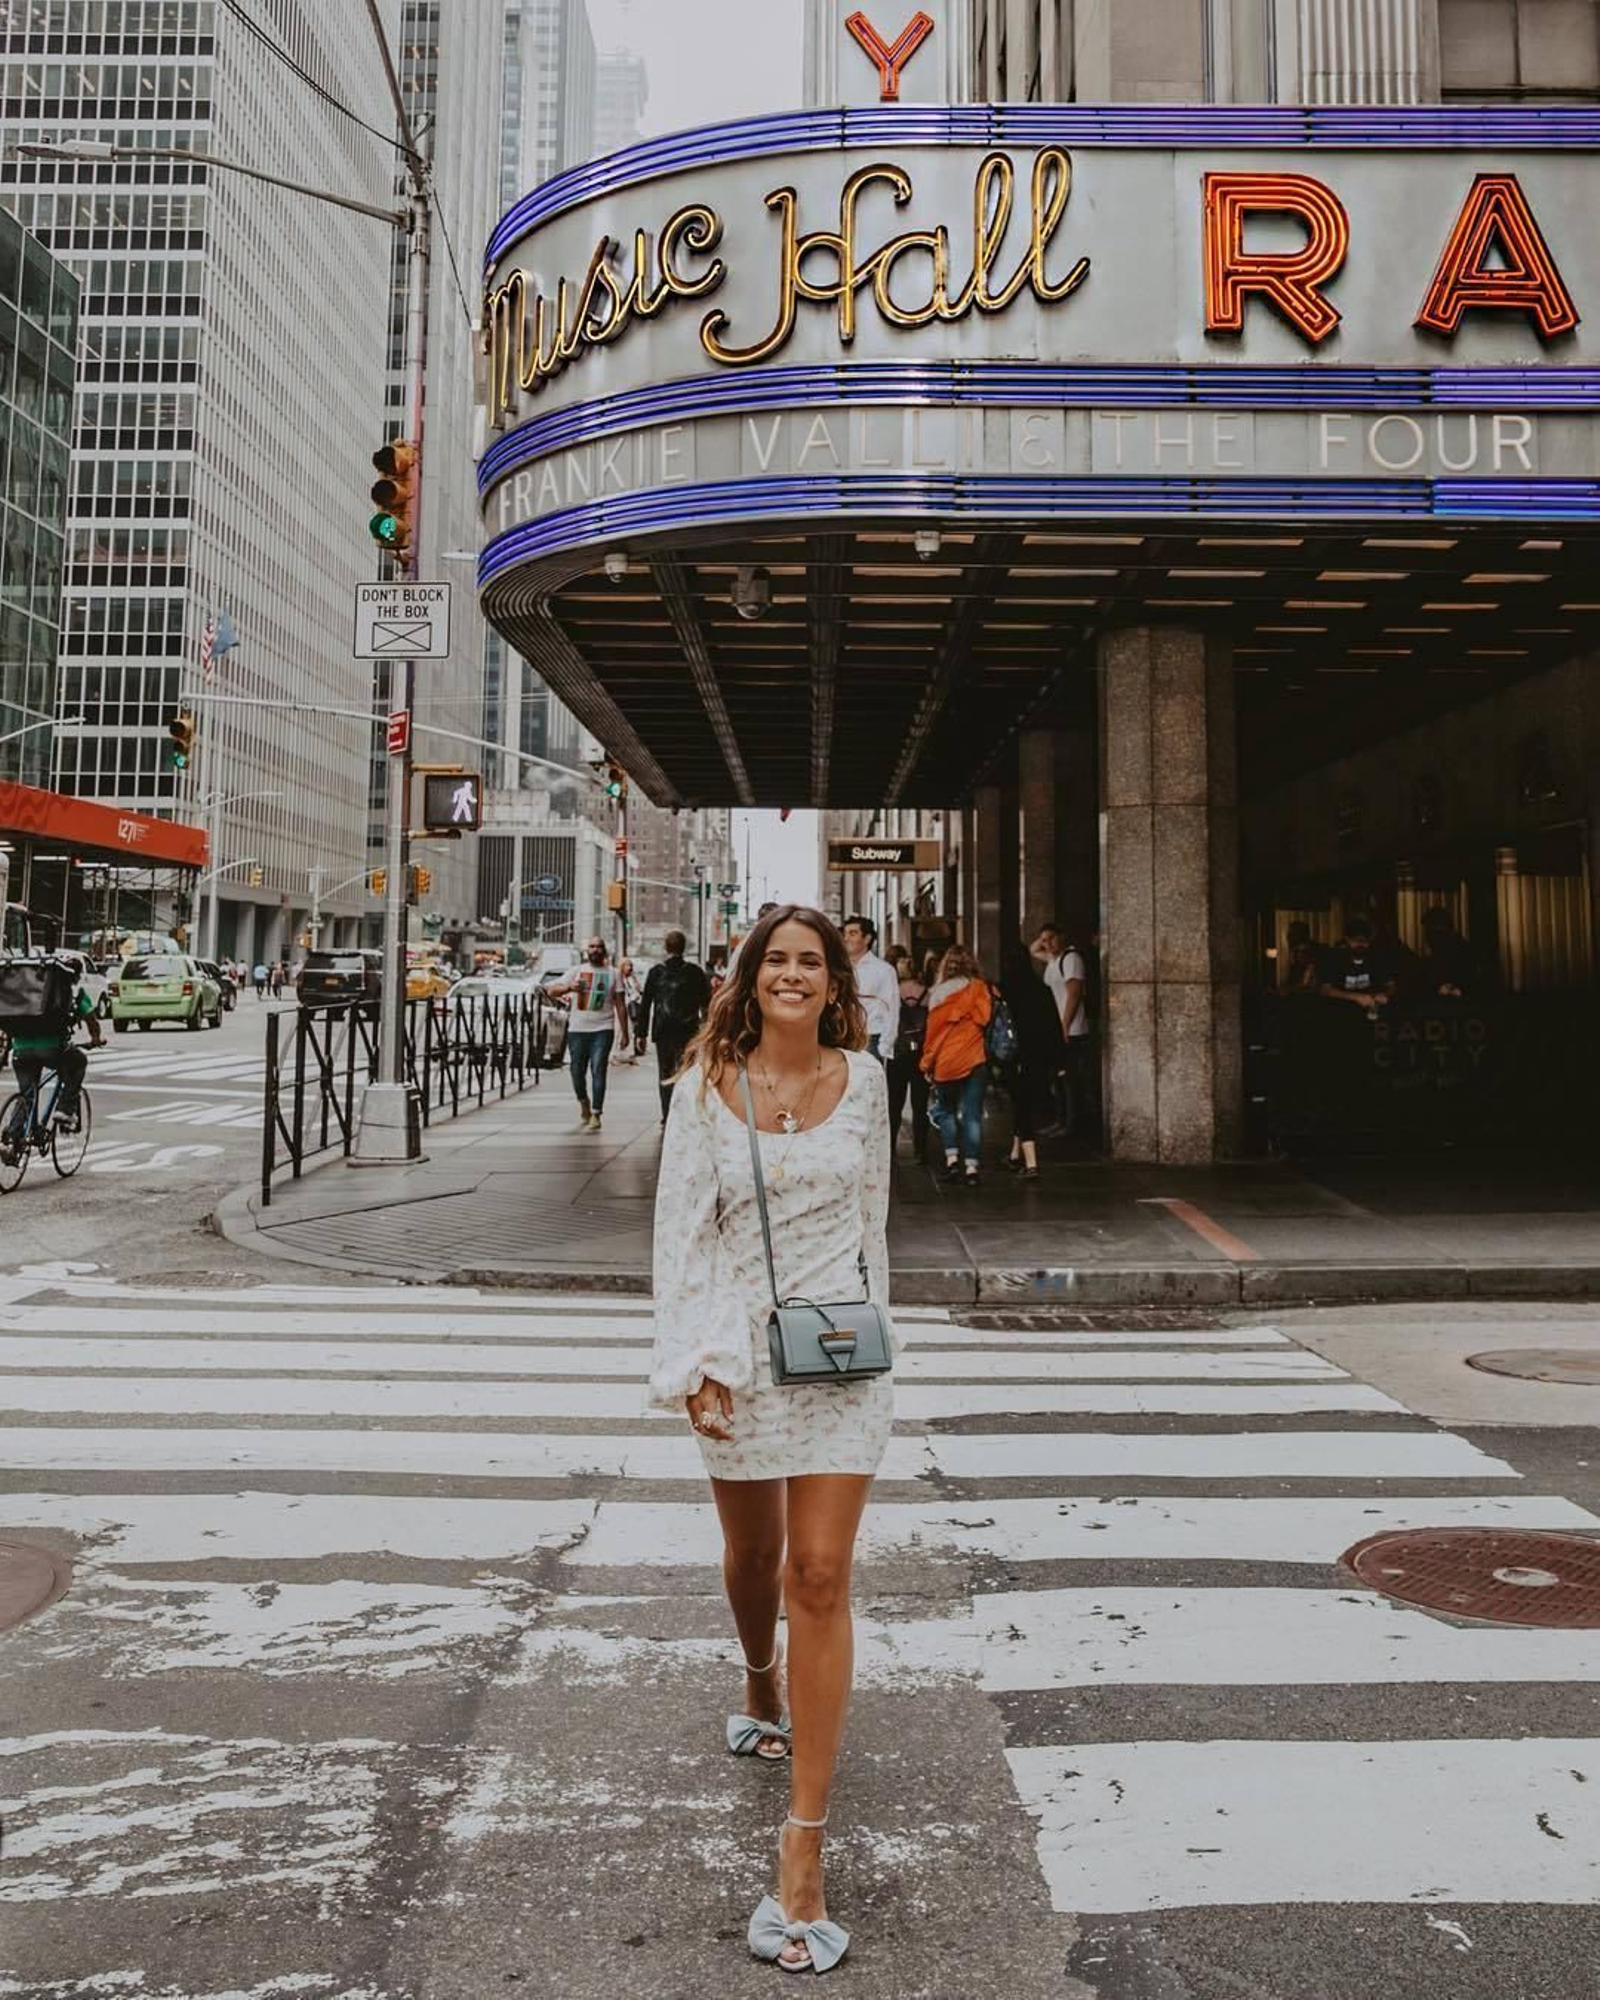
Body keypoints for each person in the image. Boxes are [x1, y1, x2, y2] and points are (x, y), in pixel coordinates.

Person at [649, 904, 892, 1976]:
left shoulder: (869, 1082)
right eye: (775, 960)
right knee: (753, 1557)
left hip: (837, 1355)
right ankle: (759, 1678)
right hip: (737, 1353)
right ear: (747, 980)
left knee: (822, 1573)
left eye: (812, 961)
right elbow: (679, 1233)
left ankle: (802, 1849)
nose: (792, 974)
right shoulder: (706, 1086)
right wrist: (694, 1364)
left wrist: (875, 1334)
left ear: (836, 983)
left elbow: (873, 1226)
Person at [1, 956, 103, 1160]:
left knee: (27, 1094)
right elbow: (92, 1022)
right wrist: (96, 1039)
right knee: (78, 1062)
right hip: (52, 1048)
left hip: (20, 1049)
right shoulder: (73, 994)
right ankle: (65, 1109)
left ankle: (13, 1139)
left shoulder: (27, 993)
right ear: (75, 977)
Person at [921, 942, 992, 1186]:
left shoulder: (938, 993)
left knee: (946, 1111)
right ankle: (972, 1167)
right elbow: (985, 1019)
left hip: (946, 1062)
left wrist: (928, 1062)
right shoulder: (980, 989)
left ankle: (952, 1160)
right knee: (972, 1116)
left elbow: (932, 1031)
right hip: (975, 1059)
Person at [549, 935, 631, 1132]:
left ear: (604, 950)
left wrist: (625, 1033)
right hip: (577, 1029)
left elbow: (620, 1004)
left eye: (599, 946)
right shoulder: (577, 971)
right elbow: (552, 990)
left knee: (598, 1069)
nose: (595, 949)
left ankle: (596, 1112)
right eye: (592, 946)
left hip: (603, 1029)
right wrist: (570, 987)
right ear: (587, 951)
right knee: (576, 1071)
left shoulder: (614, 973)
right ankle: (584, 1101)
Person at [999, 940, 1064, 1181]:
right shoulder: (1042, 989)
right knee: (1023, 1103)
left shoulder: (1003, 990)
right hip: (1037, 1055)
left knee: (1022, 1105)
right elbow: (1053, 1025)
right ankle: (1015, 1154)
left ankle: (1032, 1163)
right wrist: (1058, 1060)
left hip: (1013, 1055)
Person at [635, 929, 710, 1124]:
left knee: (665, 1072)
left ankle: (668, 1115)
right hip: (689, 1031)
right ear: (684, 947)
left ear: (665, 947)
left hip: (663, 1031)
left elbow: (645, 1005)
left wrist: (640, 1034)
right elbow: (707, 1004)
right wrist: (708, 1029)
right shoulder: (695, 972)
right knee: (687, 1072)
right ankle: (686, 1112)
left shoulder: (656, 972)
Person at [1032, 921, 1093, 1137]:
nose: (1047, 943)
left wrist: (1064, 1026)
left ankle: (1072, 1124)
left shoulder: (1071, 959)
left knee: (1070, 1079)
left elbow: (1074, 994)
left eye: (1052, 938)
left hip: (1072, 1029)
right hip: (1058, 1027)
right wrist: (1044, 941)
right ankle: (1061, 1120)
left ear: (1062, 937)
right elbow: (1033, 949)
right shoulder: (1053, 959)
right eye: (1044, 940)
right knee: (1057, 1077)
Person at [884, 945, 930, 1159]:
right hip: (921, 1051)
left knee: (895, 1103)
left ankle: (890, 1147)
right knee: (920, 1105)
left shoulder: (894, 990)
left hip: (899, 1050)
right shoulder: (926, 992)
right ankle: (921, 1150)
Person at [841, 913, 898, 1061]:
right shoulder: (839, 969)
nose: (846, 938)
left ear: (867, 939)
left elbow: (891, 1009)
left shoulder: (883, 970)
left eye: (852, 934)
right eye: (845, 934)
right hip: (842, 1037)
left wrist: (883, 1048)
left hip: (871, 1038)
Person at [1319, 915, 1399, 1014]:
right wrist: (1356, 997)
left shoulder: (1378, 958)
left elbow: (1392, 986)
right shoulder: (1335, 957)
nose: (1360, 945)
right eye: (1356, 940)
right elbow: (1325, 990)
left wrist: (1384, 994)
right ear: (1347, 939)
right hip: (1340, 1012)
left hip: (1371, 1011)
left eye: (1365, 941)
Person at [1420, 907, 1477, 998]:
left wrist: (1454, 988)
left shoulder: (1461, 950)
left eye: (1429, 931)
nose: (1426, 937)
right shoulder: (1439, 952)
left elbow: (1470, 982)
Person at [615, 957, 644, 1063]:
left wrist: (635, 980)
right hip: (623, 1006)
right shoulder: (619, 978)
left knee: (631, 1030)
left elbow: (639, 990)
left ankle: (629, 1054)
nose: (630, 968)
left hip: (632, 1005)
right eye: (628, 965)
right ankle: (616, 1055)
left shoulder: (631, 978)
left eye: (631, 965)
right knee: (620, 1031)